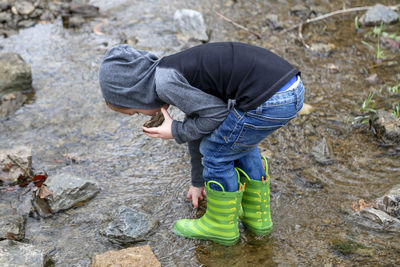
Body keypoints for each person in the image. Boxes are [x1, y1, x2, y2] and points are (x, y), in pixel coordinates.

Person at [98, 42, 304, 246]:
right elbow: (201, 127)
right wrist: (198, 182)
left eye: (134, 111)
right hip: (288, 88)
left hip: (269, 100)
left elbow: (216, 115)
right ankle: (257, 217)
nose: (139, 115)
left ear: (135, 93)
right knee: (236, 143)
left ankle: (220, 225)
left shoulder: (166, 84)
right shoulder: (173, 70)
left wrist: (176, 130)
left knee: (215, 153)